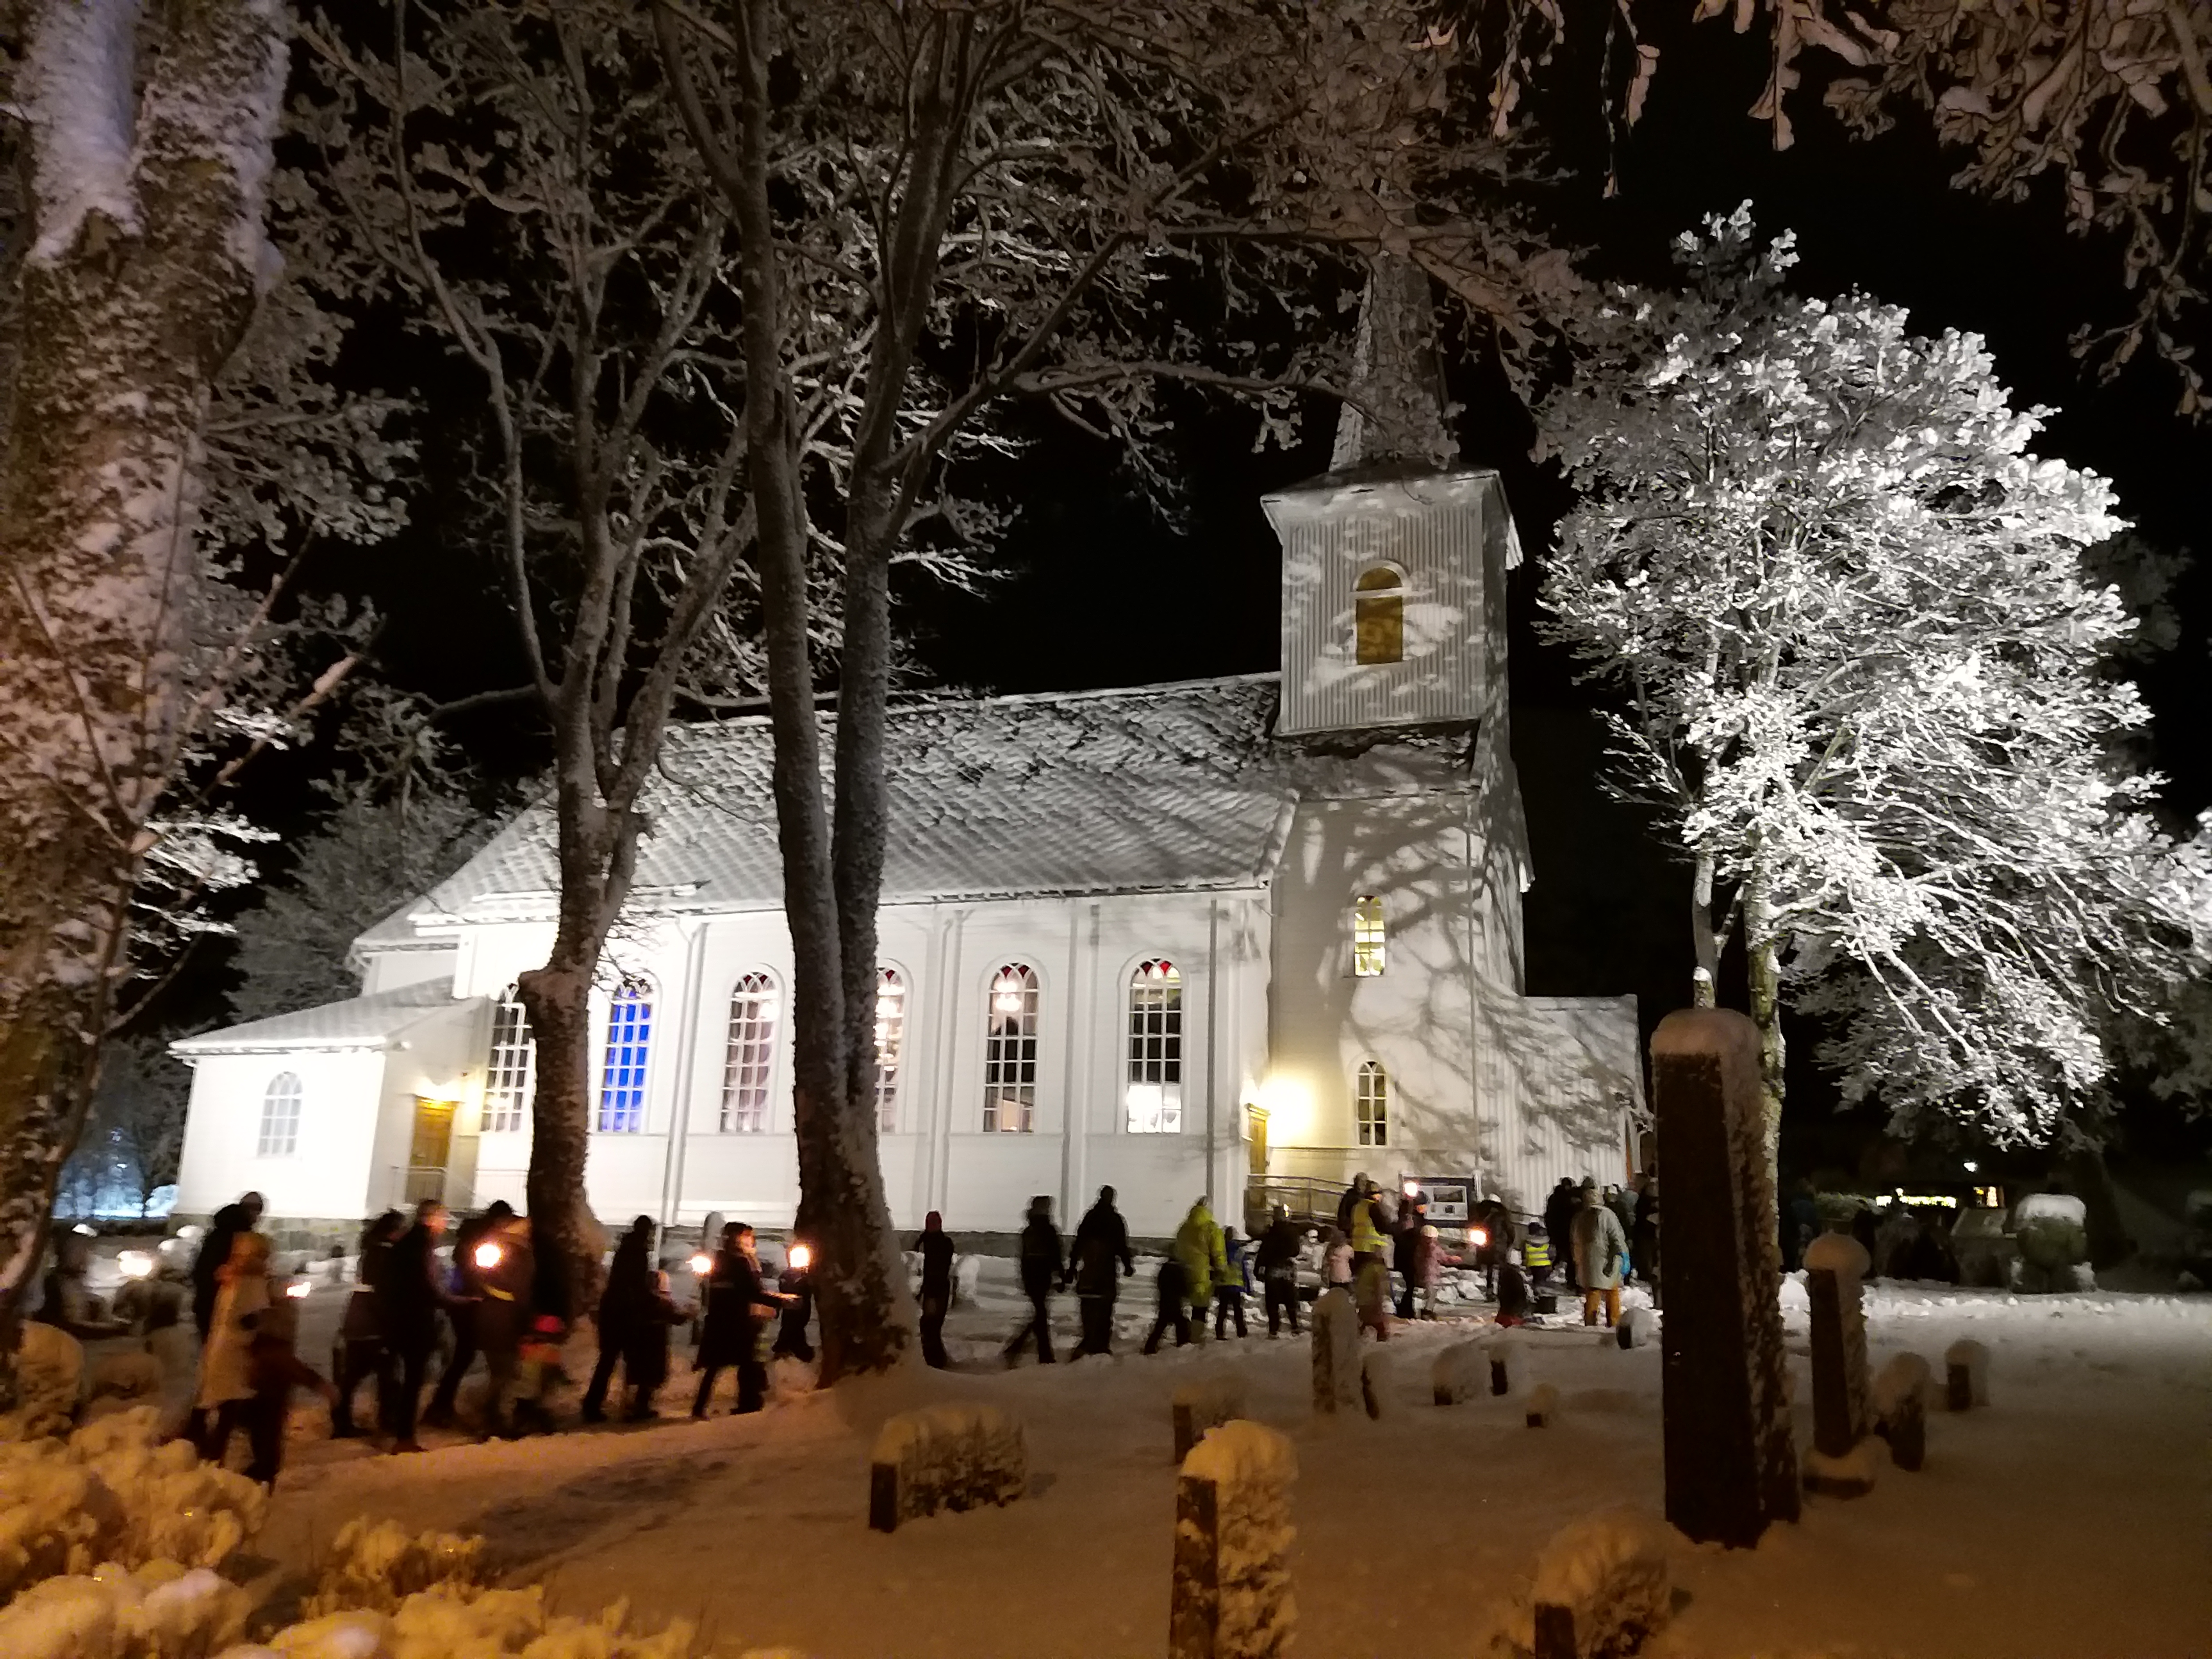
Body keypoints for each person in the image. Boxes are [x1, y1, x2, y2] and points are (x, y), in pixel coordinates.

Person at [376, 1199, 471, 1452]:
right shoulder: (422, 1245)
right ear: (431, 1218)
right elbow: (429, 1287)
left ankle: (396, 1428)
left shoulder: (405, 1243)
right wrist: (459, 1302)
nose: (445, 1224)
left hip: (399, 1317)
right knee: (413, 1379)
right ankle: (405, 1437)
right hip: (416, 1320)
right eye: (443, 1218)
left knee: (405, 1377)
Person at [425, 1200, 514, 1427]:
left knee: (464, 1356)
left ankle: (442, 1406)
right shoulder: (485, 1241)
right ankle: (444, 1407)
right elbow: (481, 1274)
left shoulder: (471, 1237)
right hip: (470, 1303)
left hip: (464, 1301)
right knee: (469, 1356)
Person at [242, 1277, 335, 1486]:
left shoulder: (263, 1331)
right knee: (268, 1433)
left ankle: (262, 1471)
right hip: (271, 1390)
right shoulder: (274, 1337)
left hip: (264, 1388)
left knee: (263, 1433)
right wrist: (317, 1383)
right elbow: (287, 1364)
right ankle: (263, 1473)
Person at [694, 1222, 785, 1415]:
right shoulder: (740, 1262)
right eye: (747, 1236)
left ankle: (700, 1406)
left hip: (719, 1321)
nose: (751, 1241)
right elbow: (753, 1291)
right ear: (738, 1238)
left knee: (716, 1366)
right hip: (737, 1321)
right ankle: (749, 1402)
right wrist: (781, 1301)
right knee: (747, 1361)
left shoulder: (720, 1259)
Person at [332, 1210, 403, 1439]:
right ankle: (387, 1420)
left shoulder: (371, 1250)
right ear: (394, 1231)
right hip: (373, 1323)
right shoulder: (385, 1254)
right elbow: (383, 1291)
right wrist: (389, 1323)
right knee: (385, 1373)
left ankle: (342, 1421)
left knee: (355, 1374)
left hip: (359, 1320)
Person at [469, 1209, 536, 1437]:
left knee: (499, 1372)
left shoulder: (490, 1249)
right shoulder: (520, 1254)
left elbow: (479, 1278)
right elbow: (522, 1291)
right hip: (507, 1319)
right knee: (505, 1374)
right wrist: (527, 1324)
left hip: (489, 1314)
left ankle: (491, 1418)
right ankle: (492, 1420)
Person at [582, 1215, 656, 1422]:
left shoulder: (624, 1249)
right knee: (634, 1362)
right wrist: (651, 1302)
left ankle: (592, 1404)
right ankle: (633, 1407)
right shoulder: (638, 1252)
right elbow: (636, 1285)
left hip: (612, 1311)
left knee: (607, 1361)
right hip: (626, 1313)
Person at [1068, 1185, 1135, 1358]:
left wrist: (1072, 1268)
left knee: (1089, 1308)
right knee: (1105, 1310)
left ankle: (1089, 1340)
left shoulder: (1090, 1218)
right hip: (1106, 1272)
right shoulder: (1115, 1220)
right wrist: (1128, 1265)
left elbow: (1078, 1244)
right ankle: (1101, 1344)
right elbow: (1122, 1246)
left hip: (1089, 1272)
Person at [191, 1191, 265, 1339]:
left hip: (213, 1302)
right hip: (228, 1304)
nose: (258, 1216)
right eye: (256, 1209)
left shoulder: (218, 1234)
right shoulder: (242, 1239)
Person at [623, 1267, 688, 1419]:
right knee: (650, 1378)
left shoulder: (637, 1299)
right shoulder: (662, 1302)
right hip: (655, 1344)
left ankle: (636, 1406)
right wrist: (688, 1313)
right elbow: (677, 1318)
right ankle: (642, 1408)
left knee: (642, 1376)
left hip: (639, 1344)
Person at [1004, 1195, 1062, 1365]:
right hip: (1043, 1276)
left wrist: (1024, 1276)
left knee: (1040, 1314)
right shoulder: (1048, 1231)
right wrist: (1061, 1274)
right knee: (1040, 1316)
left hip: (1031, 1277)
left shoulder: (1029, 1231)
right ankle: (1042, 1354)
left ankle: (1021, 1348)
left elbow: (1025, 1258)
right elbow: (1055, 1255)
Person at [1571, 1180, 1628, 1329]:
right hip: (1608, 1261)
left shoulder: (1580, 1218)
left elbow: (1575, 1241)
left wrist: (1578, 1260)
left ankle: (1590, 1324)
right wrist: (1624, 1254)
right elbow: (1616, 1237)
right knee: (1612, 1293)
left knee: (1593, 1293)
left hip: (1588, 1264)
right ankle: (1613, 1323)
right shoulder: (1607, 1215)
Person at [1173, 1197, 1226, 1342]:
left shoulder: (1184, 1228)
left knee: (1180, 1306)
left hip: (1182, 1270)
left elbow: (1177, 1248)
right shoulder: (1212, 1229)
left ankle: (1181, 1334)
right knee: (1200, 1307)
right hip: (1202, 1273)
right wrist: (1221, 1269)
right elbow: (1218, 1253)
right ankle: (1195, 1337)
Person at [912, 1212, 955, 1368]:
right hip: (934, 1288)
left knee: (931, 1325)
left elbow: (938, 1268)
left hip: (937, 1289)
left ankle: (935, 1360)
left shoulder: (937, 1242)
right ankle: (935, 1359)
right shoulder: (928, 1241)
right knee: (930, 1325)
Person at [1254, 1208, 1303, 1338]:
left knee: (1272, 1301)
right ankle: (1294, 1325)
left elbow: (1264, 1252)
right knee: (1290, 1299)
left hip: (1272, 1269)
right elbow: (1296, 1251)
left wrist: (1258, 1269)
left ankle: (1273, 1330)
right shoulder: (1292, 1231)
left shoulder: (1270, 1233)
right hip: (1287, 1269)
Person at [772, 1241, 816, 1363]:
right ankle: (787, 1350)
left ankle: (793, 1350)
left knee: (797, 1327)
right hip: (790, 1312)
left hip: (801, 1311)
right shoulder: (787, 1276)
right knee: (791, 1327)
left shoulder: (806, 1278)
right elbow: (784, 1291)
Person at [1142, 1254, 1192, 1354]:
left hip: (1164, 1300)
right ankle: (1182, 1342)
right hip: (1174, 1301)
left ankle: (1150, 1346)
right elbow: (1182, 1287)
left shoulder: (1165, 1268)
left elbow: (1160, 1284)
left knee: (1162, 1324)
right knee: (1181, 1322)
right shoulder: (1178, 1270)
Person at [1392, 1192, 1426, 1319]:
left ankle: (1406, 1309)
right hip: (1409, 1257)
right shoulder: (1410, 1221)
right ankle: (1405, 1310)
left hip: (1409, 1256)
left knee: (1411, 1285)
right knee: (1410, 1284)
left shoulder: (1415, 1220)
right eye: (1423, 1205)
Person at [1544, 1179, 1581, 1293]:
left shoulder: (1554, 1198)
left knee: (1562, 1255)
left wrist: (1551, 1232)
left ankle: (1560, 1276)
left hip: (1557, 1232)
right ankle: (1572, 1281)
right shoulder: (1570, 1199)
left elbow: (1549, 1217)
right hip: (1568, 1231)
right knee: (1571, 1257)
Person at [1215, 1226, 1250, 1339]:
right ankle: (1241, 1331)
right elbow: (1243, 1270)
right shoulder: (1239, 1252)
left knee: (1222, 1310)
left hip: (1222, 1284)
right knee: (1238, 1310)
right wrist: (1248, 1286)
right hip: (1236, 1285)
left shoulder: (1219, 1250)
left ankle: (1220, 1332)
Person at [1631, 1190, 1661, 1311]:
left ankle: (1658, 1302)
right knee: (1656, 1275)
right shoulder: (1650, 1218)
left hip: (1650, 1248)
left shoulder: (1645, 1216)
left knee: (1655, 1275)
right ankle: (1658, 1303)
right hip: (1652, 1248)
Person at [1413, 1224, 1443, 1318]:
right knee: (1430, 1293)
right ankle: (1427, 1311)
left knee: (1431, 1293)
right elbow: (1444, 1258)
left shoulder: (1421, 1249)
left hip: (1430, 1274)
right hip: (1428, 1275)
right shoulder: (1430, 1249)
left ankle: (1427, 1310)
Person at [1336, 1173, 1370, 1238]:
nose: (1362, 1184)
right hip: (1351, 1228)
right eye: (1360, 1181)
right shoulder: (1349, 1196)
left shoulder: (1368, 1196)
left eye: (1364, 1182)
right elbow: (1342, 1213)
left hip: (1364, 1229)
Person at [1321, 1225, 1354, 1292]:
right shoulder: (1331, 1248)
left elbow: (1352, 1263)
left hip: (1344, 1278)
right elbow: (1326, 1263)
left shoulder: (1348, 1249)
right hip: (1335, 1278)